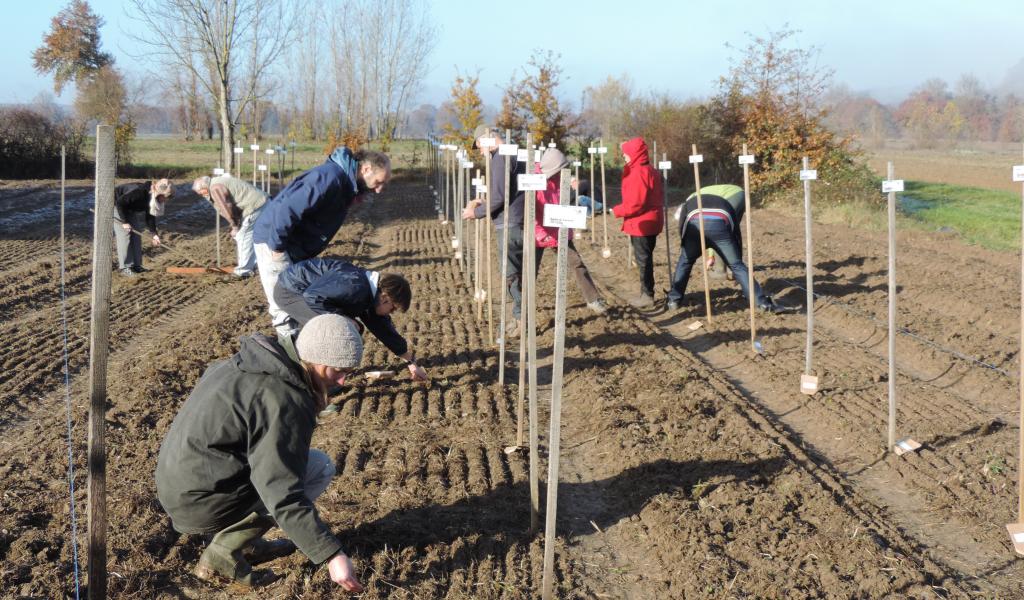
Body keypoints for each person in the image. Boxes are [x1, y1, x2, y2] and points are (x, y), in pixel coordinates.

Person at [156, 314, 366, 592]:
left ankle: (247, 543)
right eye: (338, 370)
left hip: (182, 487)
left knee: (297, 465)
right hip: (201, 502)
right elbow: (282, 490)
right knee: (318, 468)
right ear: (315, 358)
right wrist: (331, 554)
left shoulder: (248, 364)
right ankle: (222, 557)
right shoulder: (283, 397)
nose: (341, 380)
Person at [252, 146, 392, 337]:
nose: (379, 189)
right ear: (366, 169)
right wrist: (276, 247)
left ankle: (305, 353)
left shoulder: (344, 184)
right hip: (275, 242)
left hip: (294, 248)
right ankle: (293, 361)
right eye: (378, 182)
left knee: (297, 299)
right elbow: (288, 208)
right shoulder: (329, 177)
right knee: (284, 304)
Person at [273, 258, 428, 381]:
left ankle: (322, 371)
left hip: (305, 292)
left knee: (352, 327)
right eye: (393, 309)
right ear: (385, 297)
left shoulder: (370, 295)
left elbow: (384, 330)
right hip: (291, 291)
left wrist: (411, 363)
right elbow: (313, 297)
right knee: (337, 331)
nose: (391, 313)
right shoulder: (355, 286)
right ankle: (319, 381)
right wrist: (343, 317)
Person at [461, 125, 532, 338]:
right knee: (516, 272)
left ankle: (521, 321)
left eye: (480, 146)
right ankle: (519, 317)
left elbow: (500, 197)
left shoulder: (501, 157)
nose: (481, 151)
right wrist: (485, 202)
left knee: (511, 274)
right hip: (519, 219)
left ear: (487, 139)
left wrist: (477, 212)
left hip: (510, 223)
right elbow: (507, 192)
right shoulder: (514, 153)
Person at [666, 183, 781, 313]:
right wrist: (736, 257)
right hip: (721, 226)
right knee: (737, 265)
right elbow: (734, 231)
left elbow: (683, 227)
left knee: (685, 262)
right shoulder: (724, 203)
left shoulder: (688, 204)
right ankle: (761, 303)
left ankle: (673, 301)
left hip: (695, 226)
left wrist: (685, 248)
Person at [533, 149, 607, 314]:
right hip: (539, 233)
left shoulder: (561, 181)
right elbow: (530, 212)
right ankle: (523, 304)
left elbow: (567, 204)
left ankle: (593, 299)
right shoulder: (535, 181)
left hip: (559, 230)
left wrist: (575, 214)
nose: (562, 173)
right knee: (531, 270)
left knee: (577, 264)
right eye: (560, 170)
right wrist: (539, 233)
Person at [612, 137, 664, 307]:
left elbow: (636, 203)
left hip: (642, 223)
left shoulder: (638, 173)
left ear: (634, 154)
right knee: (644, 258)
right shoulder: (649, 170)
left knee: (643, 260)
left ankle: (647, 295)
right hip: (651, 220)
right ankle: (646, 292)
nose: (624, 157)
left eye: (626, 154)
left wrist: (617, 210)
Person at [192, 174, 269, 277]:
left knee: (243, 236)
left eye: (200, 193)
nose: (201, 195)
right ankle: (255, 264)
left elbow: (227, 208)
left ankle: (243, 271)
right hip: (263, 202)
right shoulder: (217, 181)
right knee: (256, 236)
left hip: (254, 206)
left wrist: (235, 227)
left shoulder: (215, 188)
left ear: (204, 189)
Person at [113, 179, 174, 276]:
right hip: (116, 205)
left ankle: (137, 266)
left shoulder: (153, 198)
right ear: (159, 193)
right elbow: (120, 203)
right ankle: (125, 267)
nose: (165, 200)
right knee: (125, 235)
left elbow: (150, 216)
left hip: (129, 208)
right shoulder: (140, 192)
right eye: (165, 198)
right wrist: (124, 222)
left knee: (137, 235)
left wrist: (154, 234)